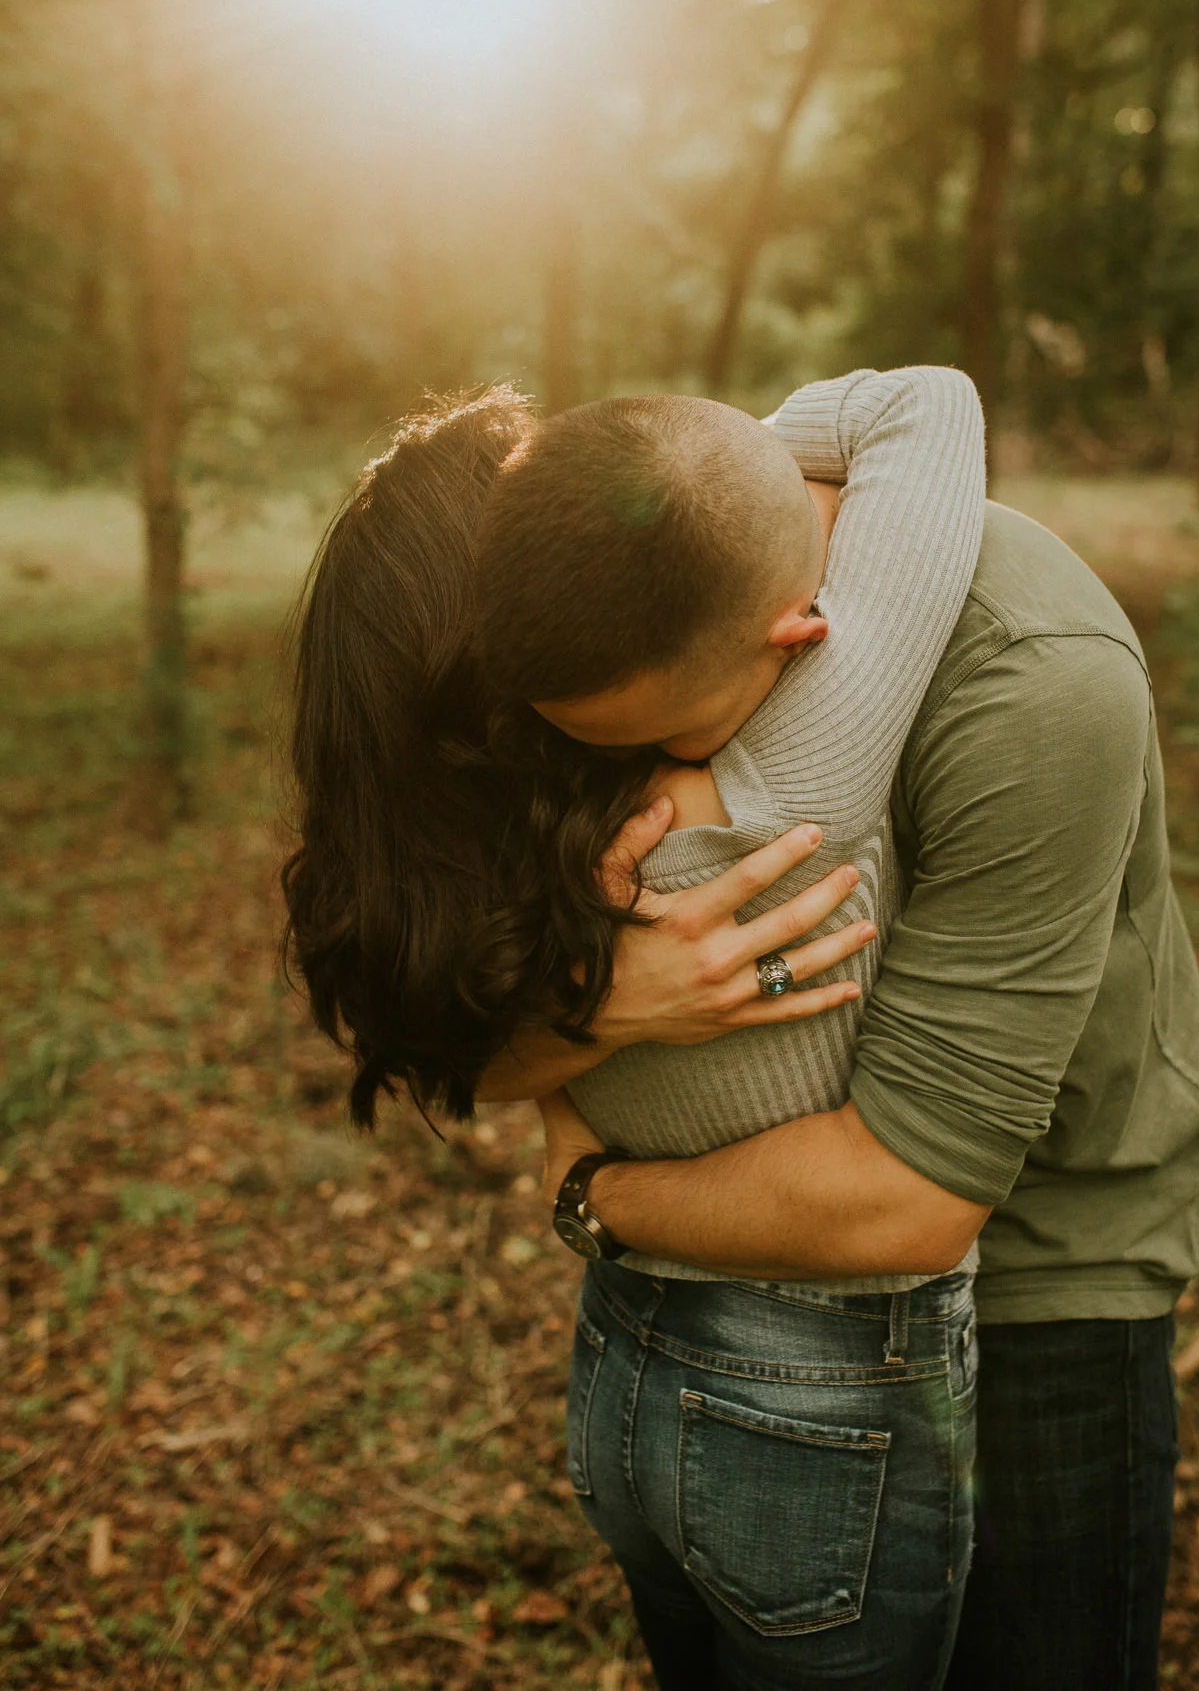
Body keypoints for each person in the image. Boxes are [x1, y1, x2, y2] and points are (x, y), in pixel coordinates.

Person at [283, 367, 989, 1689]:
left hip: (621, 1373)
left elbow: (475, 1073)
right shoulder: (796, 766)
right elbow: (928, 405)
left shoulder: (528, 888)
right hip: (818, 1391)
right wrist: (702, 492)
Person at [488, 478, 1199, 1691]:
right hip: (746, 1292)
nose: (662, 786)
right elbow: (460, 1045)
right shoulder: (643, 589)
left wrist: (593, 1191)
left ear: (794, 633)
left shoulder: (1034, 676)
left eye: (670, 741)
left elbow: (911, 1200)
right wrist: (611, 1001)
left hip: (1044, 1260)